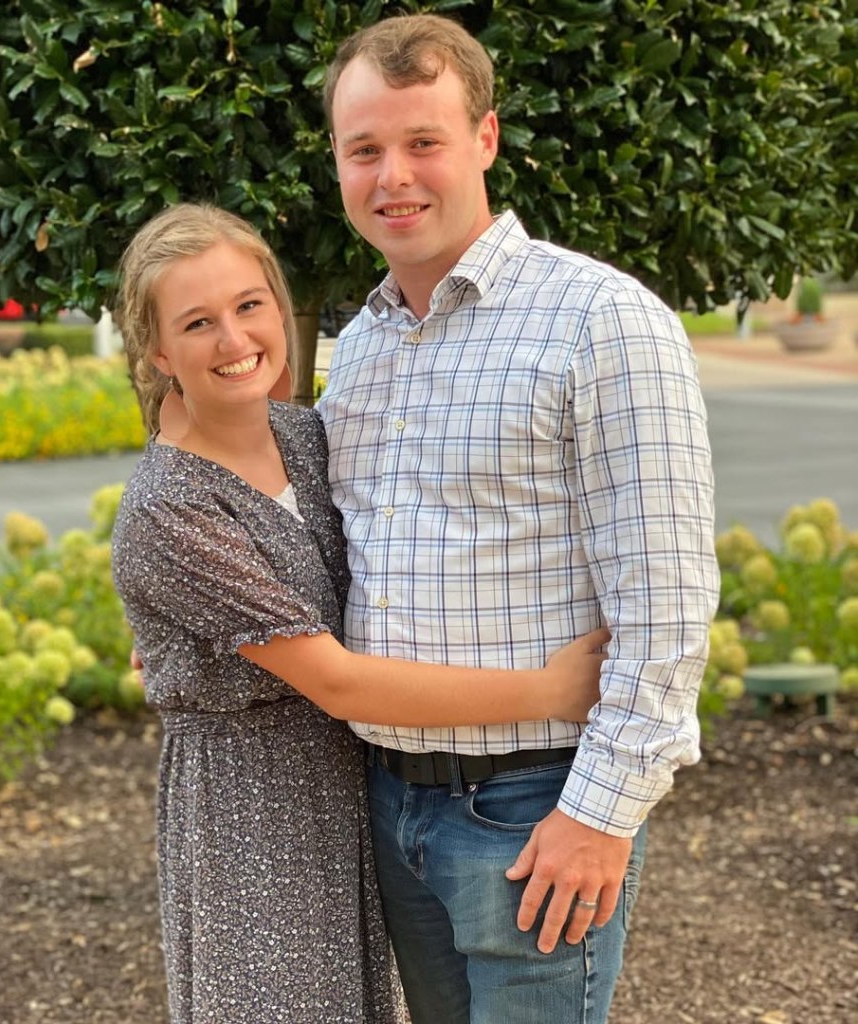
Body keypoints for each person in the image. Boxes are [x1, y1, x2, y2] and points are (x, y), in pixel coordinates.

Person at [108, 202, 611, 1024]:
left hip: (354, 798)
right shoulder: (169, 510)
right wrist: (551, 693)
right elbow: (337, 682)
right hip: (251, 820)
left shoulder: (306, 435)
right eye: (198, 323)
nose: (235, 342)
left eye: (249, 306)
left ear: (279, 305)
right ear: (159, 350)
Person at [318, 13, 720, 1024]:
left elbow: (667, 603)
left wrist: (598, 816)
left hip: (533, 803)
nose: (392, 175)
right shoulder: (358, 346)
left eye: (423, 142)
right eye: (364, 149)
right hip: (389, 797)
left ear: (485, 141)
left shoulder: (602, 321)